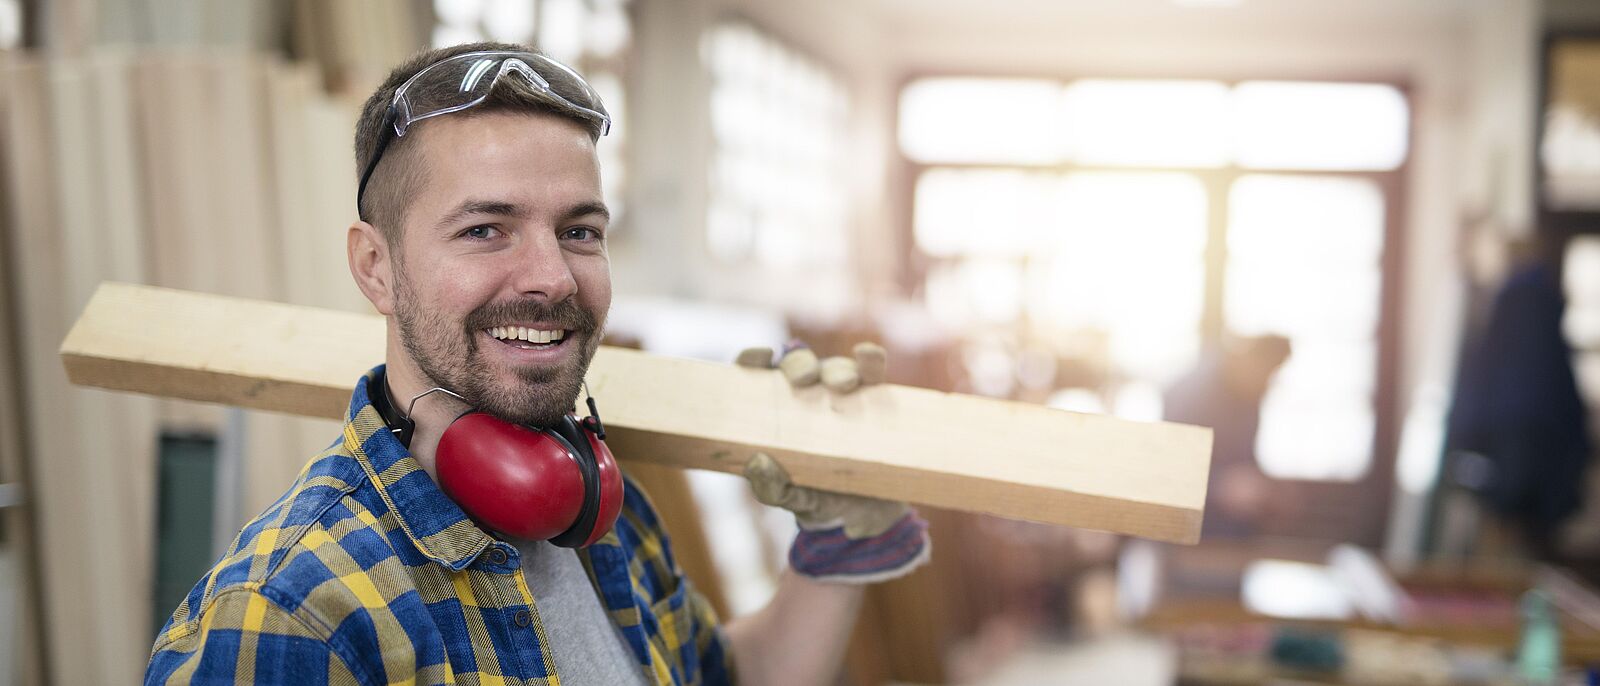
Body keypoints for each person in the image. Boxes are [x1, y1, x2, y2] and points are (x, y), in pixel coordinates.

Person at [145, 42, 929, 685]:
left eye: (580, 231)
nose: (553, 276)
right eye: (487, 229)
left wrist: (836, 545)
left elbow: (726, 676)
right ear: (376, 268)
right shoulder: (293, 617)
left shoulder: (595, 518)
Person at [1163, 334, 1291, 539]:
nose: (1268, 383)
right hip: (1189, 536)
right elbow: (1166, 471)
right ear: (1253, 360)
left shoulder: (1250, 394)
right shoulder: (1192, 393)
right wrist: (1220, 486)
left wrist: (1267, 490)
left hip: (1233, 533)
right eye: (1267, 373)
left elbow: (1244, 461)